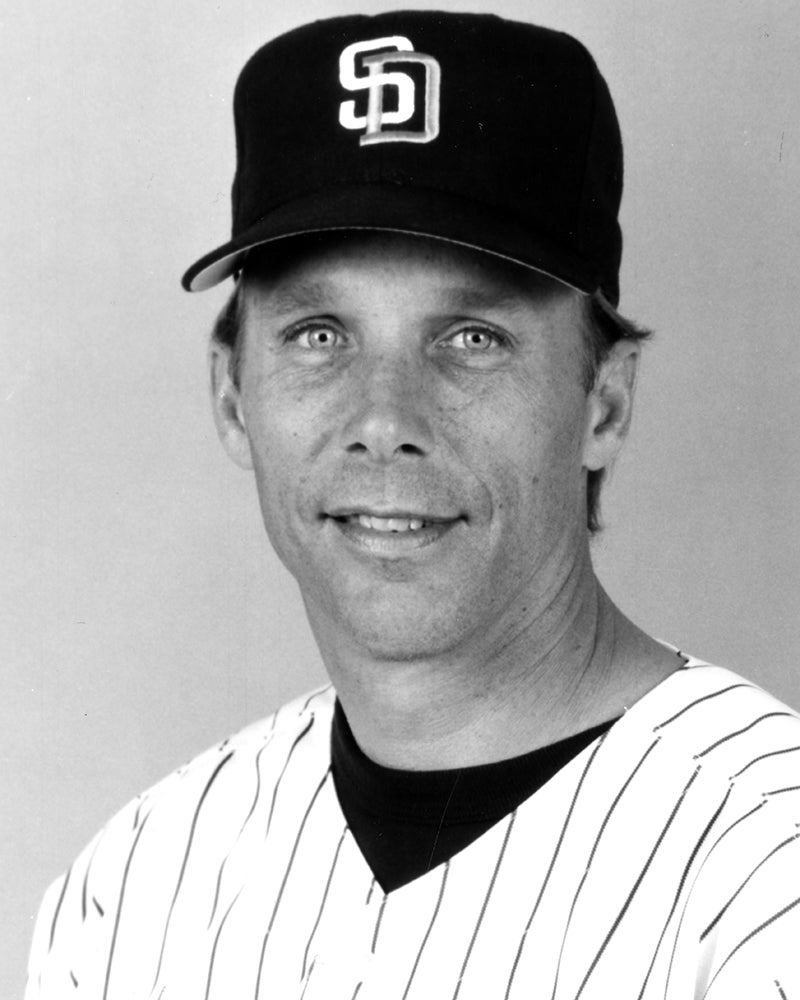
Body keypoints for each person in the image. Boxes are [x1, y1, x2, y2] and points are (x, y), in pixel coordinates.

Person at [26, 10, 800, 999]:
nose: (383, 418)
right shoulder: (135, 885)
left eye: (470, 337)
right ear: (231, 396)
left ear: (601, 403)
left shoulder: (762, 871)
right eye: (317, 333)